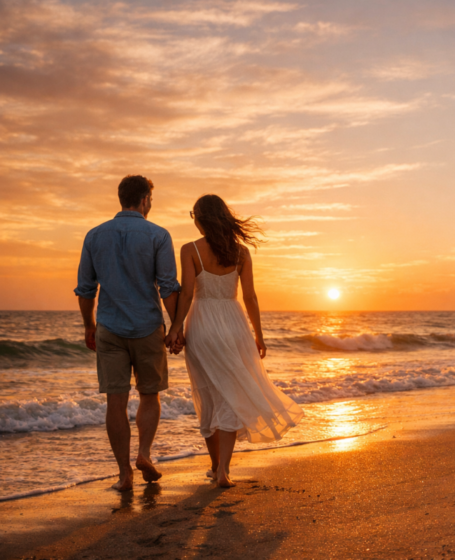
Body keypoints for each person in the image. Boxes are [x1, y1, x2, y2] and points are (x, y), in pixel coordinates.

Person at [168, 194, 303, 488]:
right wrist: (259, 334)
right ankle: (223, 470)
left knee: (205, 392)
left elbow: (187, 294)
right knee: (230, 392)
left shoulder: (190, 249)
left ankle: (216, 465)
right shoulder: (241, 253)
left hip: (202, 323)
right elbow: (251, 297)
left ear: (201, 219)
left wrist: (176, 327)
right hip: (234, 323)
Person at [74, 175, 181, 492]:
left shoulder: (95, 236)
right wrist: (176, 327)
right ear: (146, 199)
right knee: (150, 394)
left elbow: (85, 290)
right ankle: (144, 454)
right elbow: (168, 287)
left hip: (109, 326)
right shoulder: (158, 235)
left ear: (121, 198)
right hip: (147, 326)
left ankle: (124, 474)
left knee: (115, 402)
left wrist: (89, 326)